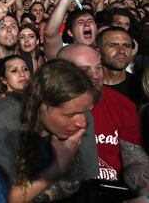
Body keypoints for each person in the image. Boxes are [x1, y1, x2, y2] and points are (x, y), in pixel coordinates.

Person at [0, 59, 99, 202]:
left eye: (84, 112)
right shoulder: (0, 122)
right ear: (42, 105)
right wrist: (58, 165)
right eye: (70, 115)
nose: (82, 122)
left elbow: (84, 183)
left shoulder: (81, 114)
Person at [58, 44, 149, 199]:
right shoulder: (47, 109)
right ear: (60, 73)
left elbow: (135, 161)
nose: (95, 76)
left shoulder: (122, 105)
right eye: (85, 70)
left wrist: (145, 193)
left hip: (110, 193)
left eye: (98, 68)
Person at [96, 26, 141, 105]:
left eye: (127, 46)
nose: (121, 51)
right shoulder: (86, 88)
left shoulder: (141, 86)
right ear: (98, 52)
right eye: (113, 45)